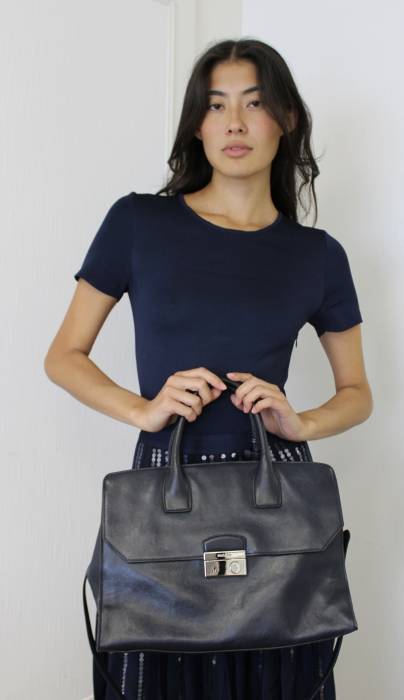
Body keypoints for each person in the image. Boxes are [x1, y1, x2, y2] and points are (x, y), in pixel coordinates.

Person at [44, 38, 373, 700]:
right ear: (197, 123)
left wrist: (301, 421)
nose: (234, 123)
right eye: (217, 105)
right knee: (152, 666)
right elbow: (63, 356)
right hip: (164, 482)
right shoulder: (138, 223)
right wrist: (143, 410)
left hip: (275, 486)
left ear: (286, 120)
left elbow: (357, 392)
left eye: (254, 103)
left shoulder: (317, 255)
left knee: (281, 669)